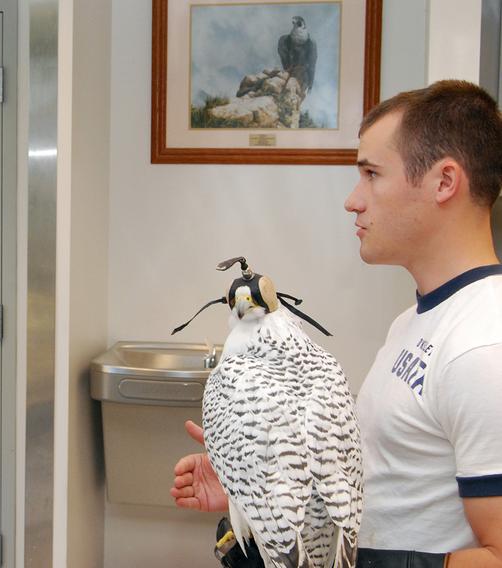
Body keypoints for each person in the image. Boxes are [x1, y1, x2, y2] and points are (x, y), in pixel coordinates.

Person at [171, 80, 502, 567]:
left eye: (371, 174)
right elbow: (395, 488)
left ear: (444, 182)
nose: (353, 199)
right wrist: (270, 490)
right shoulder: (416, 320)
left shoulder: (482, 348)